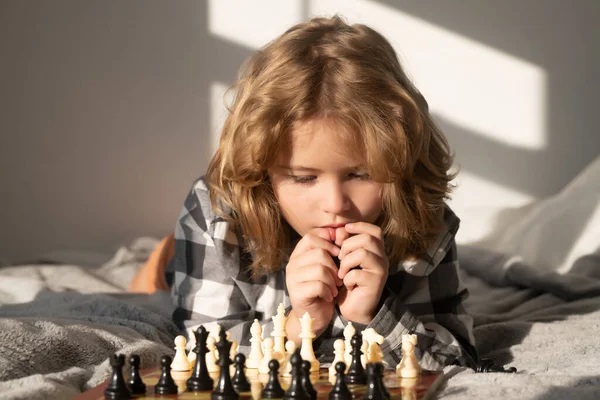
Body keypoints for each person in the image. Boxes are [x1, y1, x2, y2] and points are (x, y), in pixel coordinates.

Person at [165, 15, 478, 370]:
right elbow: (198, 353)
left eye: (360, 174)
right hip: (224, 243)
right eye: (303, 178)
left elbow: (456, 360)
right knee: (161, 271)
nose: (335, 206)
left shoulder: (422, 215)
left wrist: (373, 315)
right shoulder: (218, 213)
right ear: (262, 171)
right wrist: (300, 326)